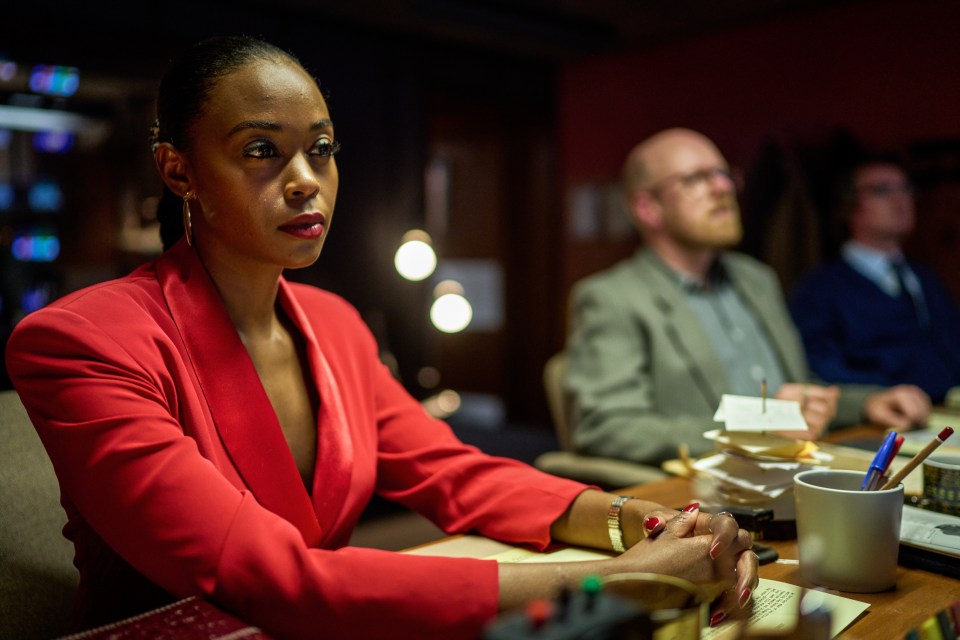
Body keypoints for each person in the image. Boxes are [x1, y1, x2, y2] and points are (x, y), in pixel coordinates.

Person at [4, 38, 757, 639]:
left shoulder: (335, 324)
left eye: (322, 149)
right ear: (179, 170)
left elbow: (460, 477)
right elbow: (271, 578)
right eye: (262, 150)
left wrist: (660, 525)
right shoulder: (80, 339)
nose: (306, 179)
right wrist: (621, 580)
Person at [564, 128, 931, 467]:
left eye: (724, 174)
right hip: (707, 497)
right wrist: (756, 425)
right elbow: (605, 427)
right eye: (695, 179)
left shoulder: (756, 279)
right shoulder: (612, 297)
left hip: (797, 468)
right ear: (649, 209)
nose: (722, 187)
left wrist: (867, 402)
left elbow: (796, 389)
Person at [789, 158, 960, 404]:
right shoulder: (820, 289)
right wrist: (874, 398)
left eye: (905, 189)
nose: (900, 199)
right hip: (880, 419)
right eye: (881, 190)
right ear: (848, 206)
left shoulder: (925, 278)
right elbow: (819, 370)